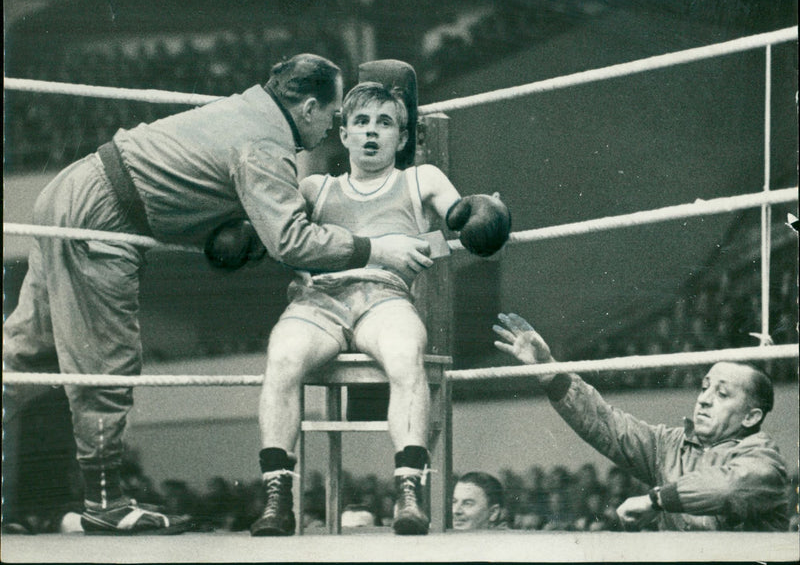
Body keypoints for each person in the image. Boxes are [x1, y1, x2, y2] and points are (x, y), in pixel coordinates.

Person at [2, 53, 434, 536]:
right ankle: (106, 503)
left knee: (22, 352)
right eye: (334, 117)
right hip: (101, 219)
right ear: (309, 107)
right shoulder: (265, 146)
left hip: (70, 189)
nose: (332, 129)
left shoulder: (247, 107)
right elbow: (290, 240)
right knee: (107, 362)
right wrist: (378, 247)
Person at [250, 74, 511, 536]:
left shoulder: (420, 178)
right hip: (321, 300)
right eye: (362, 121)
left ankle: (409, 492)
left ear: (402, 136)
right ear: (344, 132)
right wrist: (378, 243)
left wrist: (478, 220)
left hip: (385, 298)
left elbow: (463, 227)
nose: (372, 131)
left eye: (385, 122)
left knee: (404, 353)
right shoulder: (314, 188)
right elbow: (279, 239)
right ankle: (276, 498)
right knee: (282, 355)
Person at [492, 312, 790, 531]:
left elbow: (728, 487)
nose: (704, 399)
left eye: (722, 393)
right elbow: (605, 423)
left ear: (752, 416)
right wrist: (550, 371)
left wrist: (656, 500)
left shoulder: (766, 462)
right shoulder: (669, 445)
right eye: (704, 387)